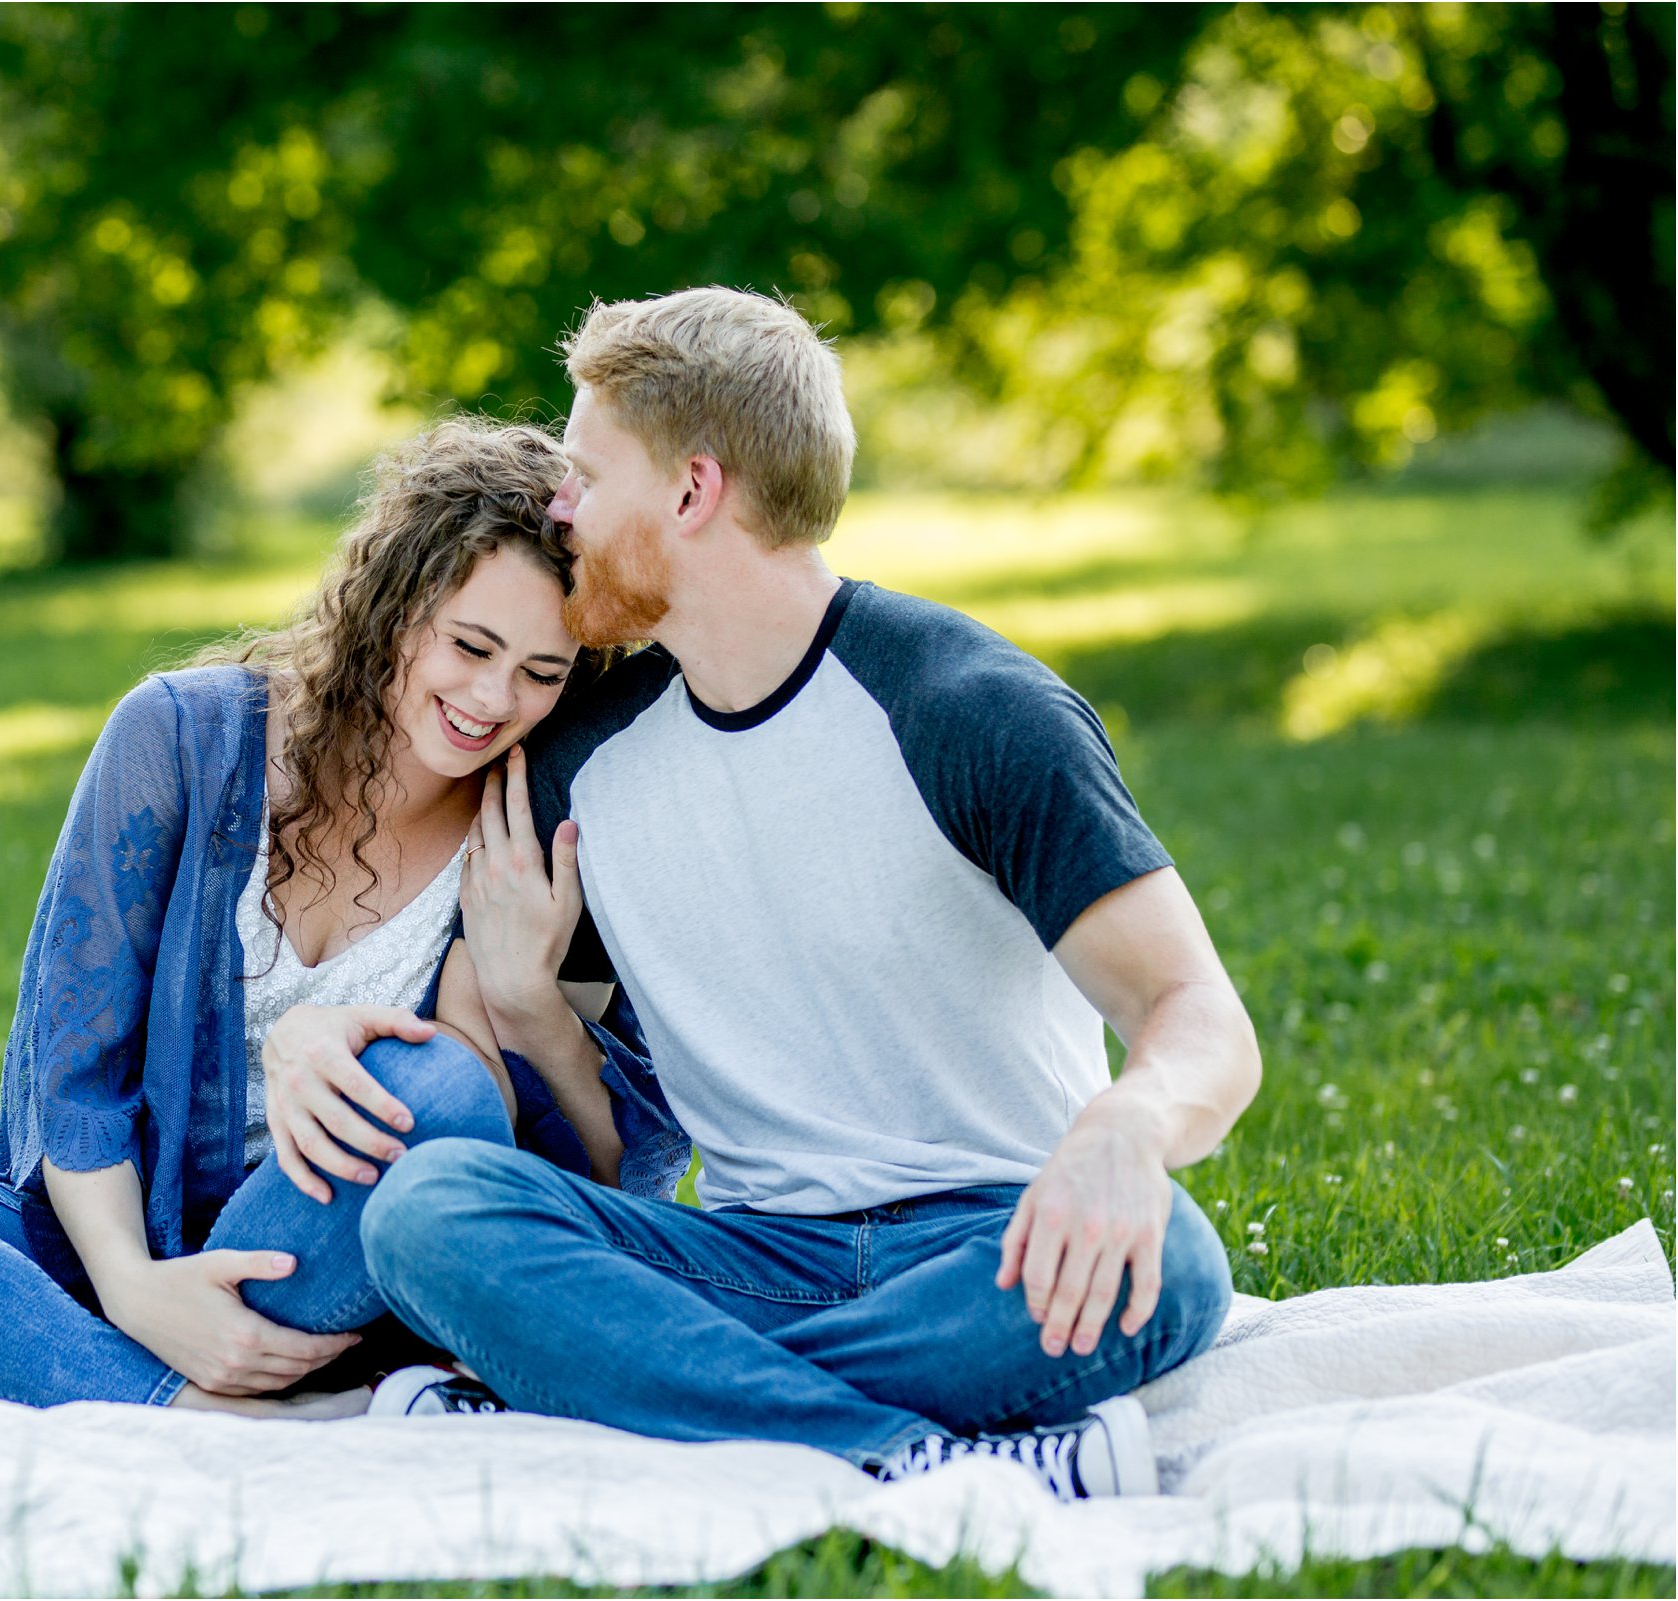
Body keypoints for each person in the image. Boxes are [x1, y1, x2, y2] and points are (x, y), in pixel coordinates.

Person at [354, 289, 1262, 1498]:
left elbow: (1199, 1016)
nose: (557, 503)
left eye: (584, 470)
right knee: (428, 1207)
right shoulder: (579, 762)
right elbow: (568, 1140)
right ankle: (910, 1461)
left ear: (689, 491)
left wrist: (1129, 1125)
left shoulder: (969, 710)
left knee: (1179, 1266)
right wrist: (523, 1000)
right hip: (744, 1250)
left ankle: (621, 1396)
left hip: (991, 1246)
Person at [0, 417, 654, 1434]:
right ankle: (189, 1401)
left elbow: (523, 1157)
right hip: (105, 1239)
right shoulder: (177, 736)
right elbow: (76, 1070)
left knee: (434, 1095)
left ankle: (35, 1363)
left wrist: (513, 1000)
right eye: (470, 645)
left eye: (541, 672)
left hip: (321, 1276)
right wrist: (132, 1283)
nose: (492, 698)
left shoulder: (531, 831)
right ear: (396, 608)